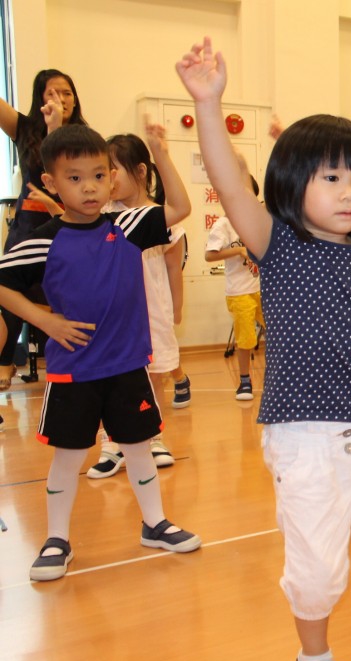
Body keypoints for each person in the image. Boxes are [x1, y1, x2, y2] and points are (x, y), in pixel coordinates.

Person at [177, 37, 351, 661]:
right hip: (302, 433)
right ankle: (314, 659)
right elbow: (227, 184)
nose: (350, 192)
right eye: (331, 178)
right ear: (292, 184)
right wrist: (209, 104)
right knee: (319, 567)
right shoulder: (278, 242)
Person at [0, 124, 201, 582]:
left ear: (112, 178)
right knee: (69, 456)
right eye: (74, 178)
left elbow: (181, 208)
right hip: (74, 372)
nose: (88, 187)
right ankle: (57, 539)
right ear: (51, 182)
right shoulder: (42, 240)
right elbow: (4, 284)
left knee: (139, 449)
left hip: (128, 366)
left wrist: (161, 152)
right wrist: (46, 322)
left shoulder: (127, 226)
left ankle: (154, 523)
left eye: (98, 175)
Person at [87, 125, 193, 479]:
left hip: (151, 311)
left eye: (113, 169)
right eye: (103, 171)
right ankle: (111, 444)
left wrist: (176, 308)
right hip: (111, 314)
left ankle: (154, 437)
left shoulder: (159, 217)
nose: (108, 177)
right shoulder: (102, 214)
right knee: (110, 379)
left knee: (155, 377)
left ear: (141, 171)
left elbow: (173, 269)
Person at [0, 69, 87, 393]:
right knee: (12, 289)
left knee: (66, 294)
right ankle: (5, 362)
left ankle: (73, 361)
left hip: (68, 222)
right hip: (28, 225)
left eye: (66, 92)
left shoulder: (84, 136)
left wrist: (56, 127)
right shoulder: (24, 128)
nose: (60, 99)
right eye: (51, 92)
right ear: (40, 98)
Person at [205, 168, 264, 401]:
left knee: (281, 331)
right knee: (246, 338)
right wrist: (239, 250)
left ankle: (281, 376)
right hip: (240, 292)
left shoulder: (255, 221)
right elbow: (210, 255)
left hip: (260, 289)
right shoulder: (223, 225)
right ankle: (245, 380)